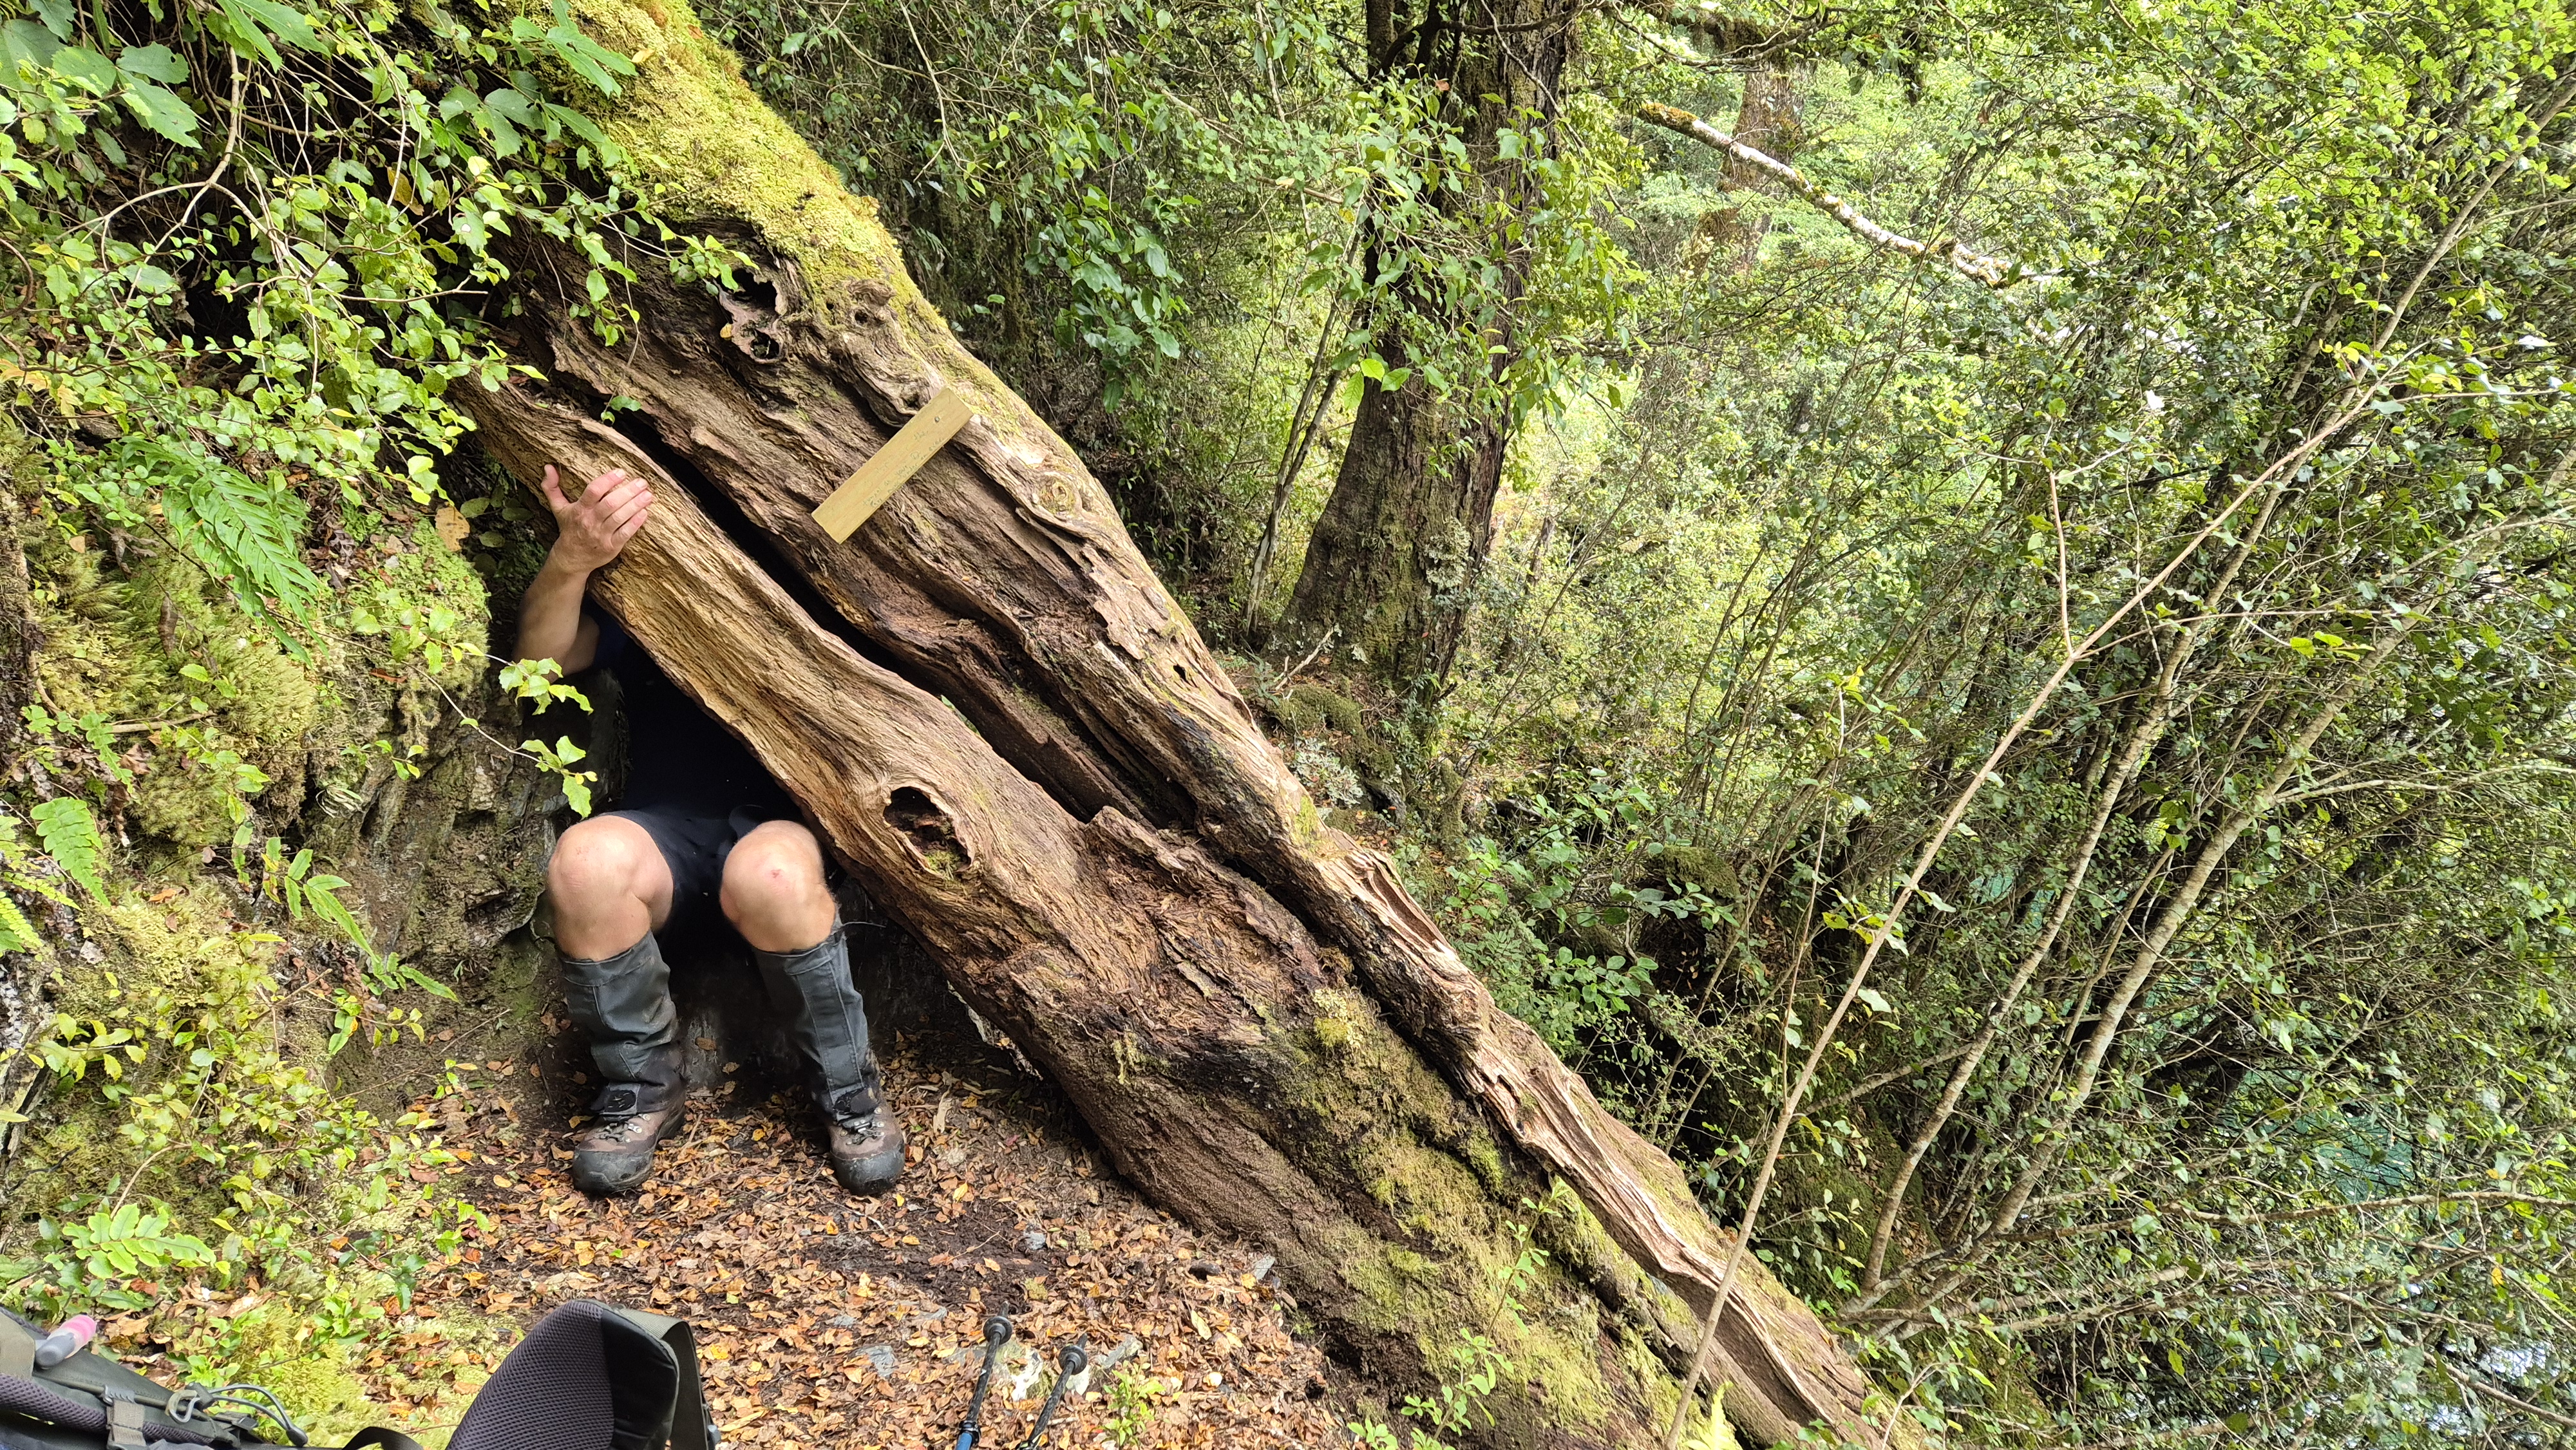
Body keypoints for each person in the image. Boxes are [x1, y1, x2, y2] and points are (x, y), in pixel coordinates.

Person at [515, 462, 907, 1197]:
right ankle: (642, 1085)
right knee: (584, 861)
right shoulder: (664, 587)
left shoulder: (830, 593)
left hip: (782, 829)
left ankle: (848, 1091)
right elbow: (539, 662)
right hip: (669, 832)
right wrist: (571, 560)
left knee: (773, 874)